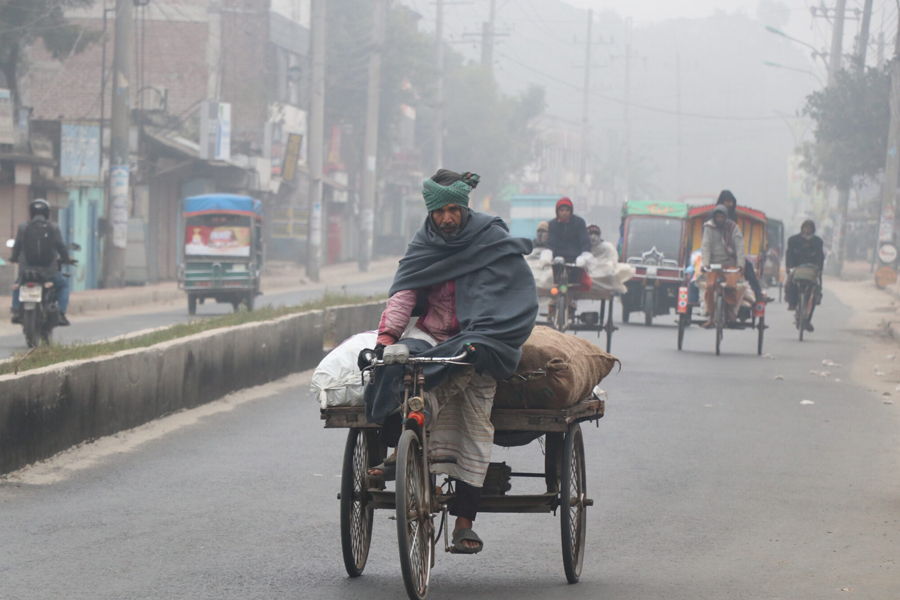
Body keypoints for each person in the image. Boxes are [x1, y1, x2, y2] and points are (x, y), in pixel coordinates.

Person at [363, 169, 538, 554]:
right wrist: (387, 338)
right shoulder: (425, 241)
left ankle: (463, 524)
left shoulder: (491, 236)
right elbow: (406, 291)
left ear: (465, 206)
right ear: (430, 211)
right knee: (399, 362)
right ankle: (405, 440)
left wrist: (485, 335)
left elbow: (513, 293)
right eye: (439, 211)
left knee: (476, 427)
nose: (446, 219)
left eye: (453, 210)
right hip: (433, 334)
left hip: (481, 339)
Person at [9, 199, 72, 326]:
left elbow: (17, 246)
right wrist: (66, 258)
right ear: (47, 213)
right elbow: (61, 246)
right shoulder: (53, 227)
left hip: (26, 271)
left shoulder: (23, 227)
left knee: (18, 286)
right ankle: (60, 314)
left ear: (31, 212)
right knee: (64, 285)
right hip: (49, 272)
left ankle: (16, 311)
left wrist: (13, 258)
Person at [715, 190, 768, 302]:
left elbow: (737, 239)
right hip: (714, 254)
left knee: (747, 266)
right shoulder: (712, 218)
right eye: (727, 202)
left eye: (731, 202)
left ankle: (757, 293)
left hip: (731, 253)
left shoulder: (733, 218)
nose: (729, 205)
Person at [700, 205, 746, 328]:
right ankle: (710, 316)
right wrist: (705, 264)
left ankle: (730, 309)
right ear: (715, 217)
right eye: (718, 216)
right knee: (709, 287)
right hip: (714, 264)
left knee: (731, 286)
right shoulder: (708, 227)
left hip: (730, 263)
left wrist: (740, 264)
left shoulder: (733, 228)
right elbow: (706, 246)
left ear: (726, 217)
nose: (720, 219)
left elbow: (739, 246)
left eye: (722, 216)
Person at [546, 198, 591, 318]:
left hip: (575, 258)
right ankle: (554, 299)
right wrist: (548, 254)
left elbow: (585, 240)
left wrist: (585, 254)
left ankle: (571, 299)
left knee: (575, 280)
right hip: (558, 257)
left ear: (571, 211)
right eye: (562, 210)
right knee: (554, 278)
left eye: (567, 210)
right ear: (557, 212)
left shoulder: (579, 222)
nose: (564, 213)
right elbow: (550, 242)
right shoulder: (553, 224)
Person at [785, 219, 825, 331]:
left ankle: (807, 320)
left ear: (813, 229)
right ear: (802, 228)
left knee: (813, 293)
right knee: (791, 284)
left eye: (809, 228)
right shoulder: (793, 240)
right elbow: (789, 255)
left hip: (811, 271)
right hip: (797, 269)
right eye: (805, 227)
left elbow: (820, 257)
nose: (807, 230)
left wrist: (819, 269)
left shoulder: (817, 242)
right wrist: (789, 268)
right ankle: (792, 303)